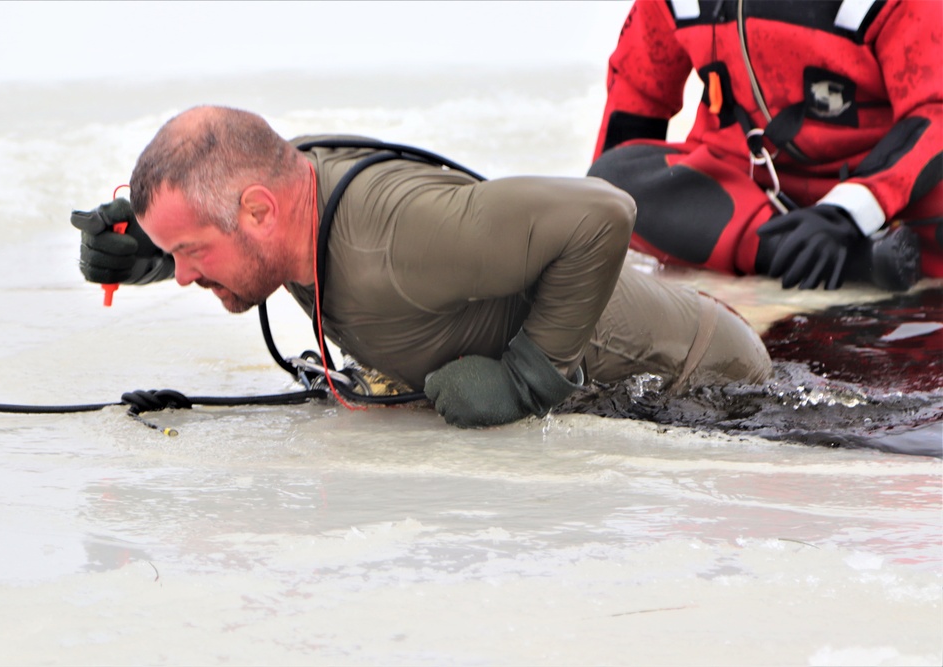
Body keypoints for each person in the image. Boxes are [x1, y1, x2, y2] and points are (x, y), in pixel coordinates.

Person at [72, 105, 772, 429]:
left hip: (706, 377)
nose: (186, 276)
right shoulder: (285, 188)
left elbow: (602, 213)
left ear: (258, 212)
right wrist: (152, 252)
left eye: (191, 254)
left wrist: (528, 378)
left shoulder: (399, 243)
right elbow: (226, 171)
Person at [587, 0, 942, 291]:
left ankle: (840, 249)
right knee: (613, 185)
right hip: (744, 192)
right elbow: (636, 93)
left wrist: (848, 210)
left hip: (890, 199)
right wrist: (595, 231)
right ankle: (849, 260)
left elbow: (935, 113)